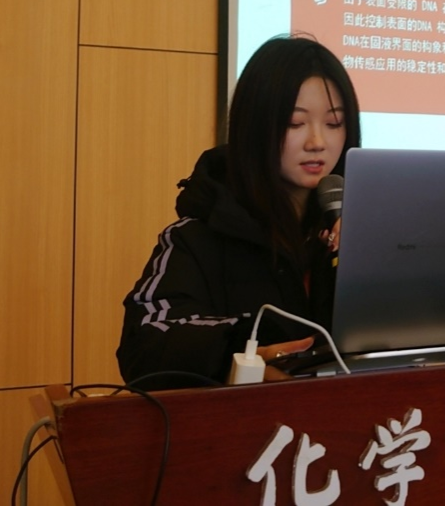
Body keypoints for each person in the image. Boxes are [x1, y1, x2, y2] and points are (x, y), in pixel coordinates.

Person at [116, 35, 361, 388]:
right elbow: (144, 344)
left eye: (334, 123)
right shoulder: (197, 237)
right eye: (295, 123)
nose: (317, 142)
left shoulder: (355, 233)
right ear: (255, 126)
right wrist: (237, 358)